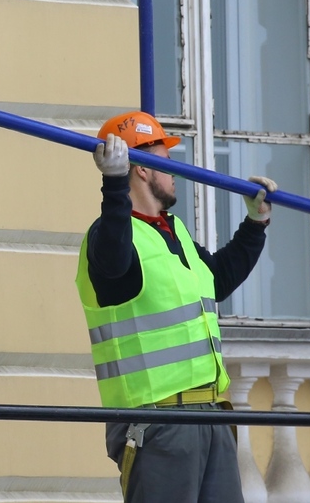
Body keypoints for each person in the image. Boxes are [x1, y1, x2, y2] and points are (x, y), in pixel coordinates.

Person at [76, 110, 277, 503]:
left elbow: (217, 279)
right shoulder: (108, 237)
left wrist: (255, 224)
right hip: (158, 421)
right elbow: (115, 264)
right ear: (143, 171)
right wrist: (113, 185)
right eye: (165, 162)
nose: (174, 173)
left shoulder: (175, 231)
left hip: (211, 413)